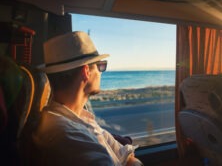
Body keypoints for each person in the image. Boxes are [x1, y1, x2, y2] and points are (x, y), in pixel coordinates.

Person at [31, 31, 143, 165]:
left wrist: (131, 160)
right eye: (100, 66)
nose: (101, 73)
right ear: (86, 72)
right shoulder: (68, 136)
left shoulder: (81, 118)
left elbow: (125, 155)